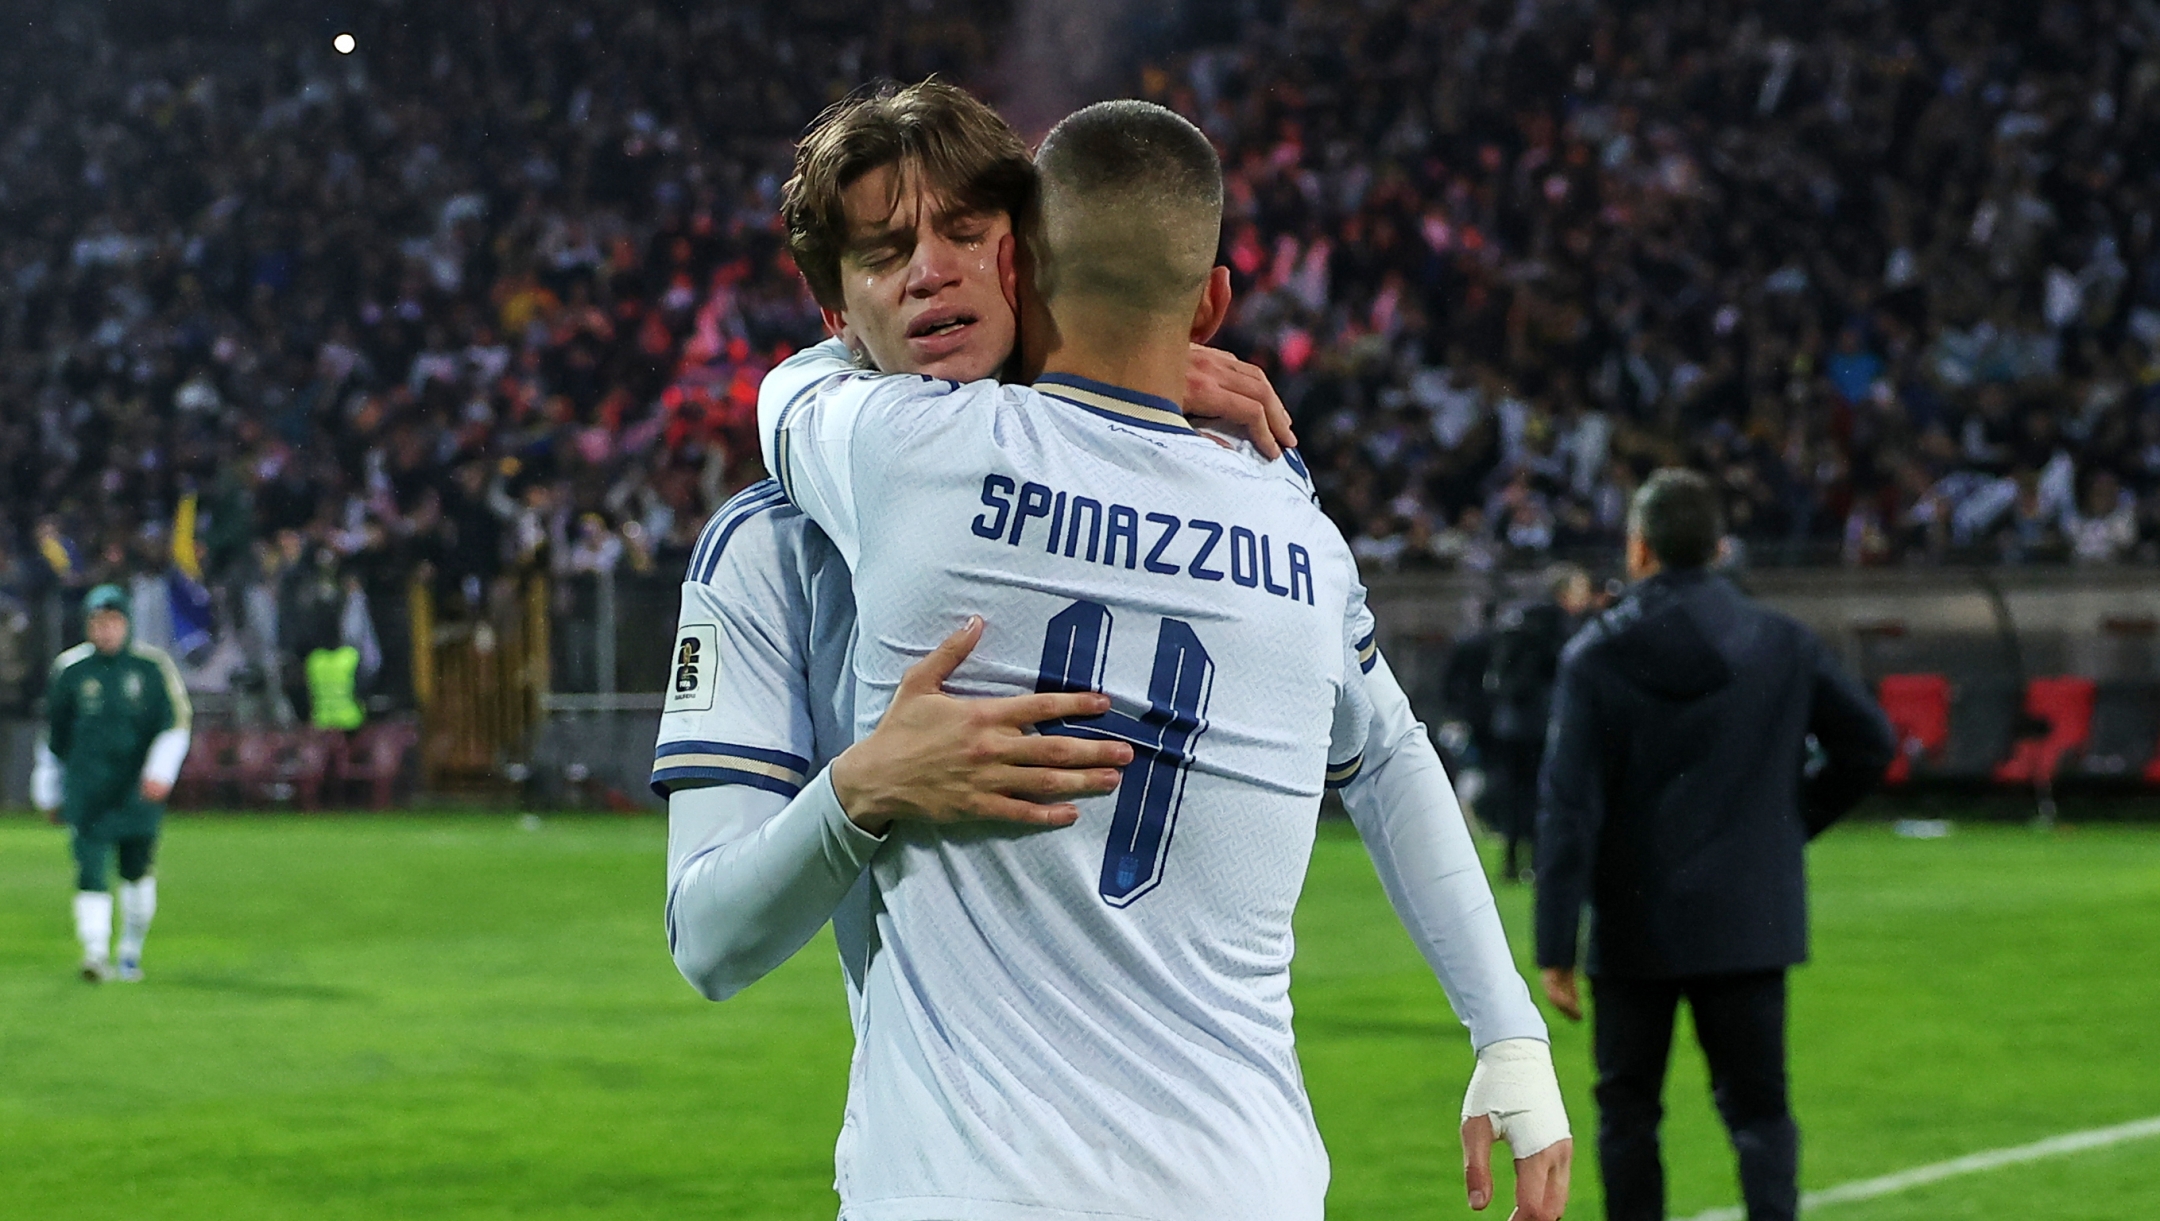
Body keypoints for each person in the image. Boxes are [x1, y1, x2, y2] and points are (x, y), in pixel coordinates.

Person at [756, 98, 1569, 1221]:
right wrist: (1508, 1031)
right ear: (1212, 306)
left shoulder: (907, 449)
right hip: (1243, 1180)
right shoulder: (1297, 528)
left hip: (971, 1186)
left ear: (1015, 268)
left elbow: (790, 388)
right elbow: (1388, 756)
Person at [1533, 469, 1895, 1221]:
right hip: (1749, 916)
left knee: (1628, 1112)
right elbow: (1869, 744)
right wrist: (1788, 822)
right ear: (1720, 547)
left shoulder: (1596, 656)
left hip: (1633, 922)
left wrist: (1556, 943)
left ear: (1639, 548)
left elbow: (1568, 807)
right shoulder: (1782, 642)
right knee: (1760, 1113)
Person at [31, 585, 193, 983]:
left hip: (136, 792)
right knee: (89, 870)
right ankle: (95, 952)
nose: (105, 631)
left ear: (127, 623)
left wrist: (161, 772)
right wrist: (48, 788)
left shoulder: (151, 668)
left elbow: (175, 724)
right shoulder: (71, 669)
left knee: (136, 871)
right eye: (97, 623)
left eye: (113, 622)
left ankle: (130, 951)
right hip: (87, 791)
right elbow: (54, 736)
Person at [1482, 563, 1595, 880]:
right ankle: (1537, 860)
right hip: (1541, 722)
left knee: (1512, 791)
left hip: (1509, 722)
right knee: (1541, 794)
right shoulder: (1559, 625)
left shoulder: (1518, 619)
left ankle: (1510, 861)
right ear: (1565, 593)